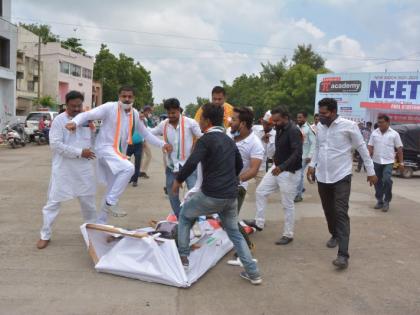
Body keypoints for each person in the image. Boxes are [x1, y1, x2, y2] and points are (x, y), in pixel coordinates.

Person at [173, 103, 262, 285]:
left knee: (184, 216)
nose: (199, 121)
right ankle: (253, 273)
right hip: (230, 196)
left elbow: (191, 162)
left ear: (206, 120)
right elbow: (238, 164)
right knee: (235, 233)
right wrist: (230, 179)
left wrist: (178, 181)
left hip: (212, 195)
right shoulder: (229, 140)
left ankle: (183, 261)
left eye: (201, 118)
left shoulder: (206, 140)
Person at [66, 86, 172, 220]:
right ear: (119, 97)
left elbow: (146, 133)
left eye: (130, 97)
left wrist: (163, 144)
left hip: (118, 153)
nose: (127, 99)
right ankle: (111, 202)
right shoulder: (109, 107)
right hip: (104, 149)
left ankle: (101, 223)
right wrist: (74, 122)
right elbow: (87, 115)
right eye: (124, 96)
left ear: (134, 98)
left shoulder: (134, 114)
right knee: (129, 168)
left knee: (111, 188)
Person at [307, 98, 377, 269]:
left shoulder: (349, 126)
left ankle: (343, 255)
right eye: (319, 113)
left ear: (332, 112)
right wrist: (311, 166)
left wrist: (371, 171)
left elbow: (361, 147)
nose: (319, 117)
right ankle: (335, 234)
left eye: (323, 114)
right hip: (323, 175)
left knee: (340, 211)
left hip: (342, 176)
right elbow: (318, 148)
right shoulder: (320, 127)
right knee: (328, 210)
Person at [36, 91, 97, 250]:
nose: (77, 109)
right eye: (73, 106)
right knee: (53, 203)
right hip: (63, 170)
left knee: (88, 204)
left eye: (79, 105)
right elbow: (55, 145)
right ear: (66, 105)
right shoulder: (58, 121)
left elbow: (93, 143)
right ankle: (45, 235)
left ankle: (92, 233)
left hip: (83, 170)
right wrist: (79, 152)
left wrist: (93, 130)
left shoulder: (86, 119)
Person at [253, 106, 303, 244]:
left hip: (289, 172)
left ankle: (288, 234)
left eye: (277, 121)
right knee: (261, 192)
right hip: (277, 168)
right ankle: (259, 222)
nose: (274, 124)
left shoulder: (293, 131)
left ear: (286, 118)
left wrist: (282, 167)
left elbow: (297, 153)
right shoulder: (279, 129)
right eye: (273, 121)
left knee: (287, 204)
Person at [150, 98, 202, 218]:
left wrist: (197, 147)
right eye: (169, 113)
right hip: (172, 165)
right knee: (172, 192)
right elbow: (151, 133)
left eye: (173, 112)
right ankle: (180, 216)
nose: (171, 115)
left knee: (194, 193)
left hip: (189, 165)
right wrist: (140, 124)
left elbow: (201, 136)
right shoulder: (164, 124)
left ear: (179, 110)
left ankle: (195, 217)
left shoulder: (190, 123)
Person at [228, 107, 264, 252]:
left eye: (234, 119)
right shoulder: (229, 135)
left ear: (242, 124)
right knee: (226, 220)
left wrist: (236, 180)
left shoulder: (255, 144)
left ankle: (246, 247)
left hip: (238, 187)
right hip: (221, 184)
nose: (230, 122)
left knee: (229, 221)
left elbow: (254, 170)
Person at [368, 114, 403, 212]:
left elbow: (399, 148)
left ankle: (387, 201)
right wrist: (368, 159)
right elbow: (370, 146)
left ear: (388, 122)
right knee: (376, 181)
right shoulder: (374, 133)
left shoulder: (394, 134)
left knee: (387, 180)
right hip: (376, 161)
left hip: (388, 162)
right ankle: (380, 200)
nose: (379, 124)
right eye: (378, 122)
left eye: (381, 122)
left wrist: (401, 163)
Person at [295, 111, 316, 202]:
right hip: (296, 156)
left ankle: (298, 195)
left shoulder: (309, 129)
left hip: (304, 156)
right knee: (297, 174)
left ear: (305, 118)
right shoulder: (295, 128)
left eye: (300, 117)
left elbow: (313, 143)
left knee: (299, 174)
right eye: (298, 117)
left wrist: (310, 156)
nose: (298, 119)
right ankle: (301, 187)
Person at [251, 110, 276, 186]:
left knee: (261, 190)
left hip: (261, 166)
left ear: (273, 125)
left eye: (269, 124)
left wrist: (267, 142)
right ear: (262, 121)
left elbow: (270, 154)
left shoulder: (275, 135)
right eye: (265, 123)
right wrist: (261, 138)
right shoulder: (255, 129)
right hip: (249, 163)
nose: (266, 126)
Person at [140, 105, 154, 178]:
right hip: (142, 140)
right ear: (146, 111)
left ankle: (140, 171)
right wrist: (144, 141)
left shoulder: (145, 119)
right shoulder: (143, 119)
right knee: (149, 155)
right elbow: (142, 130)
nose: (150, 113)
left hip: (142, 140)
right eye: (149, 112)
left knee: (141, 156)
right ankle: (142, 171)